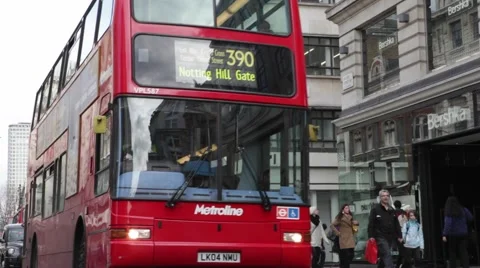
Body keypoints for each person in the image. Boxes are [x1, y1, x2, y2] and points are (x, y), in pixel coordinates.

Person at [368, 189, 403, 268]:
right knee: (387, 253)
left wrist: (399, 236)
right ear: (380, 197)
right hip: (380, 236)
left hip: (390, 236)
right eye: (383, 196)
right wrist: (371, 236)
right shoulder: (375, 209)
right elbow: (371, 223)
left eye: (387, 195)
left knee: (384, 255)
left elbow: (396, 224)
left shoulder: (391, 209)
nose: (385, 197)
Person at [442, 196, 473, 268]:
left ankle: (453, 266)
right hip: (463, 233)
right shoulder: (464, 210)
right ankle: (466, 266)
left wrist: (444, 234)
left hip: (453, 235)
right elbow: (470, 218)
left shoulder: (449, 212)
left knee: (452, 252)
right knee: (463, 251)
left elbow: (448, 224)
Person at [331, 204, 358, 268]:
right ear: (343, 210)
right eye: (346, 208)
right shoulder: (340, 218)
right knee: (345, 257)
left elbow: (355, 230)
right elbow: (332, 225)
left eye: (348, 208)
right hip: (343, 239)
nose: (347, 209)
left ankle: (343, 266)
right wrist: (338, 233)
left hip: (350, 238)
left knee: (351, 255)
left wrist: (356, 225)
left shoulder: (350, 217)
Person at [393, 200, 407, 268]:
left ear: (394, 205)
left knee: (401, 251)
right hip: (405, 233)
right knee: (403, 250)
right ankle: (400, 264)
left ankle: (400, 265)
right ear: (400, 205)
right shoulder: (404, 213)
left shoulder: (394, 213)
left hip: (398, 234)